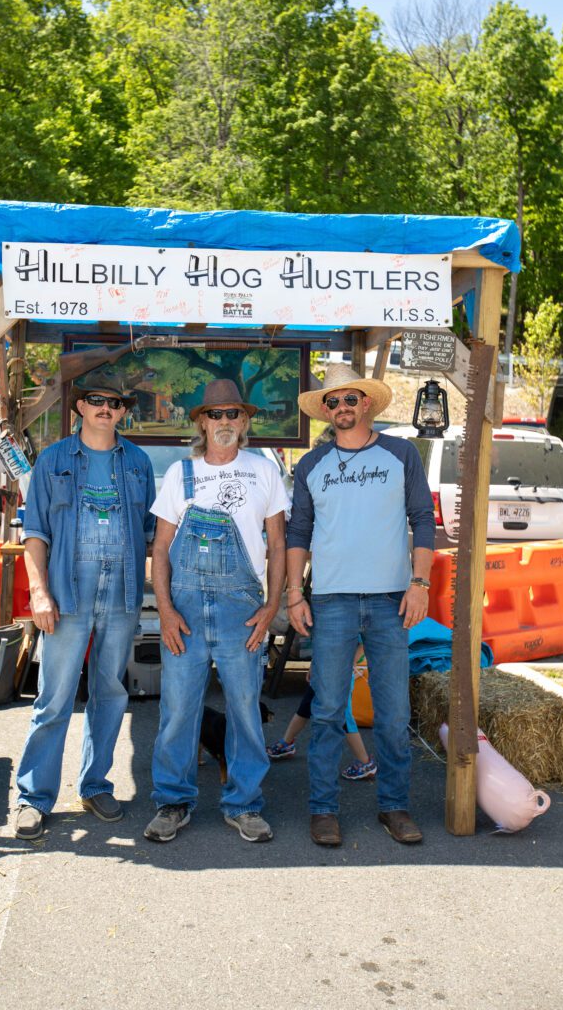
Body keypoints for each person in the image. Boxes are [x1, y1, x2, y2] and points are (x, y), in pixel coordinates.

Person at [286, 363, 434, 847]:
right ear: (324, 411)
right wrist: (294, 593)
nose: (342, 408)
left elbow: (423, 520)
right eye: (332, 402)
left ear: (366, 403)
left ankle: (394, 807)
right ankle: (323, 810)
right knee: (328, 709)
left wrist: (420, 583)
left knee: (393, 713)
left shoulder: (401, 453)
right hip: (331, 600)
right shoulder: (311, 466)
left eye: (350, 399)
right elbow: (298, 533)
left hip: (393, 599)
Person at [144, 379, 289, 844]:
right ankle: (172, 801)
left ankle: (244, 804)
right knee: (178, 709)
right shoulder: (180, 476)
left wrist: (271, 606)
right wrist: (165, 611)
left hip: (240, 613)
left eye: (233, 414)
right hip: (185, 613)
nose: (225, 422)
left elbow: (279, 544)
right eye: (216, 414)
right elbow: (161, 549)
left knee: (245, 709)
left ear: (245, 421)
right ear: (202, 421)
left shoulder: (263, 473)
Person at [13, 377, 155, 841]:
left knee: (110, 694)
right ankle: (33, 797)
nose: (106, 409)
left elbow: (155, 534)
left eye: (115, 403)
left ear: (122, 413)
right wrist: (39, 592)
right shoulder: (52, 461)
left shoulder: (138, 462)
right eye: (97, 400)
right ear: (79, 407)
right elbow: (34, 532)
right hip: (66, 599)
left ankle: (95, 785)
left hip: (122, 598)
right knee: (54, 700)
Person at [267, 646, 377, 781]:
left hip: (340, 671)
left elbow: (364, 639)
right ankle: (286, 743)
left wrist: (351, 662)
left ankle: (364, 762)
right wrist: (314, 664)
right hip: (323, 669)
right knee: (306, 706)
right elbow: (321, 640)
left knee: (344, 716)